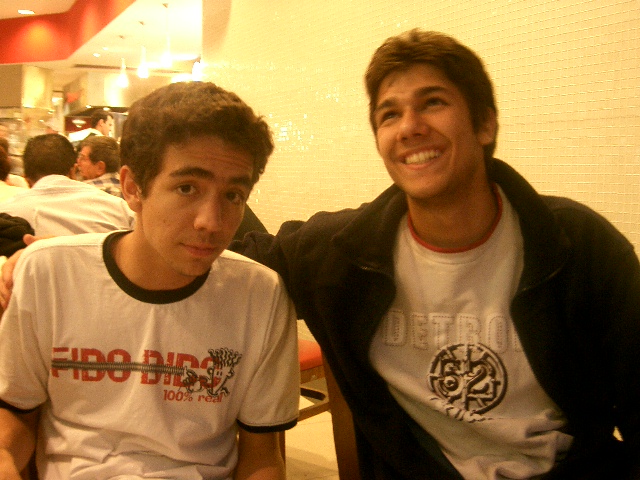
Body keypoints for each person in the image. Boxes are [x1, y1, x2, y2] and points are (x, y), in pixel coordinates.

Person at [230, 29, 640, 479]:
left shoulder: (579, 248)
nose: (409, 127)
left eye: (433, 103)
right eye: (389, 114)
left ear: (485, 125)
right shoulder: (341, 254)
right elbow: (227, 258)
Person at [0, 81, 299, 479]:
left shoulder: (260, 294)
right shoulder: (49, 273)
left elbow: (262, 457)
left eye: (233, 195)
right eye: (187, 188)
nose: (211, 222)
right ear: (132, 188)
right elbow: (15, 416)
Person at [0, 133, 134, 236]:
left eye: (83, 158)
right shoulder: (120, 208)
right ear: (72, 171)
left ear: (26, 178)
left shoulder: (6, 213)